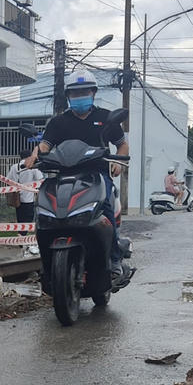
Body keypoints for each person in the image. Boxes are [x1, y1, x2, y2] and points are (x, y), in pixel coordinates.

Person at [25, 75, 129, 275]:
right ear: (68, 96)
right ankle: (46, 264)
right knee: (44, 212)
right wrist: (34, 155)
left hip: (96, 175)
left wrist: (118, 161)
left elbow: (122, 144)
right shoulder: (58, 122)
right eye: (75, 93)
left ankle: (114, 260)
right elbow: (45, 144)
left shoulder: (106, 118)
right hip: (62, 176)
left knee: (105, 209)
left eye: (84, 92)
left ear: (93, 93)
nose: (80, 96)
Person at [7, 145, 43, 256]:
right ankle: (22, 240)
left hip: (17, 199)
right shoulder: (33, 167)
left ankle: (21, 238)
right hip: (29, 199)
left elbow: (9, 180)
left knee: (20, 220)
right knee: (28, 220)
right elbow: (40, 179)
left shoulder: (15, 167)